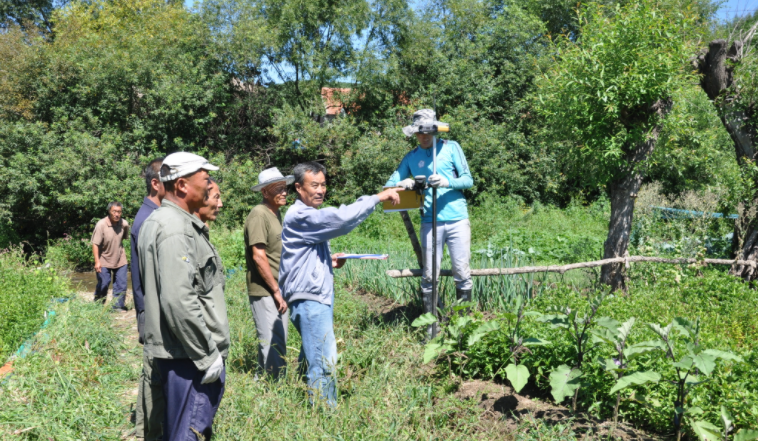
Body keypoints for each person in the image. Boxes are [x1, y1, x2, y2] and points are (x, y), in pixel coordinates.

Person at [279, 162, 400, 408]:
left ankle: (308, 412)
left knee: (313, 358)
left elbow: (311, 249)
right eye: (314, 185)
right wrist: (377, 197)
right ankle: (325, 416)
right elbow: (341, 219)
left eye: (323, 184)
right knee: (323, 363)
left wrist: (328, 260)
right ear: (299, 187)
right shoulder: (301, 214)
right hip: (311, 299)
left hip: (312, 296)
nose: (320, 190)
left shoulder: (306, 215)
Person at [138, 152, 228, 441]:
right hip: (188, 358)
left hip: (180, 353)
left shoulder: (161, 221)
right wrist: (207, 355)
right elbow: (178, 300)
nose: (208, 185)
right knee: (187, 433)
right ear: (181, 186)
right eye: (204, 179)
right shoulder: (175, 229)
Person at [385, 109, 474, 333]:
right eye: (419, 133)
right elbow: (391, 182)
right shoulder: (412, 156)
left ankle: (462, 329)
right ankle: (431, 328)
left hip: (456, 219)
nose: (424, 137)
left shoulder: (451, 147)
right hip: (429, 220)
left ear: (435, 131)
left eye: (427, 132)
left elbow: (468, 180)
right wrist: (406, 182)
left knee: (461, 273)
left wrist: (447, 182)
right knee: (429, 275)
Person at [244, 167, 293, 380]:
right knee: (271, 341)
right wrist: (275, 290)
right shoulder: (259, 214)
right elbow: (258, 256)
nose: (284, 192)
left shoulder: (276, 214)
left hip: (278, 287)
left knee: (278, 340)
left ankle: (267, 384)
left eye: (285, 188)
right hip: (266, 289)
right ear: (265, 192)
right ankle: (271, 389)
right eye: (278, 189)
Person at [131, 158, 165, 441]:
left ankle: (147, 430)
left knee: (151, 375)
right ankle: (151, 433)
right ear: (156, 183)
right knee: (153, 375)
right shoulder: (148, 220)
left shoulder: (150, 215)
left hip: (149, 308)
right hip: (151, 310)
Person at [91, 201, 130, 310]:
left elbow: (122, 238)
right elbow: (95, 244)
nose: (117, 214)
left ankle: (118, 307)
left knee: (121, 285)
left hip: (120, 258)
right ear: (109, 211)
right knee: (104, 283)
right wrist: (97, 261)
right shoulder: (101, 225)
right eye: (114, 211)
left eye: (119, 212)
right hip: (104, 259)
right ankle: (98, 305)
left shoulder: (124, 224)